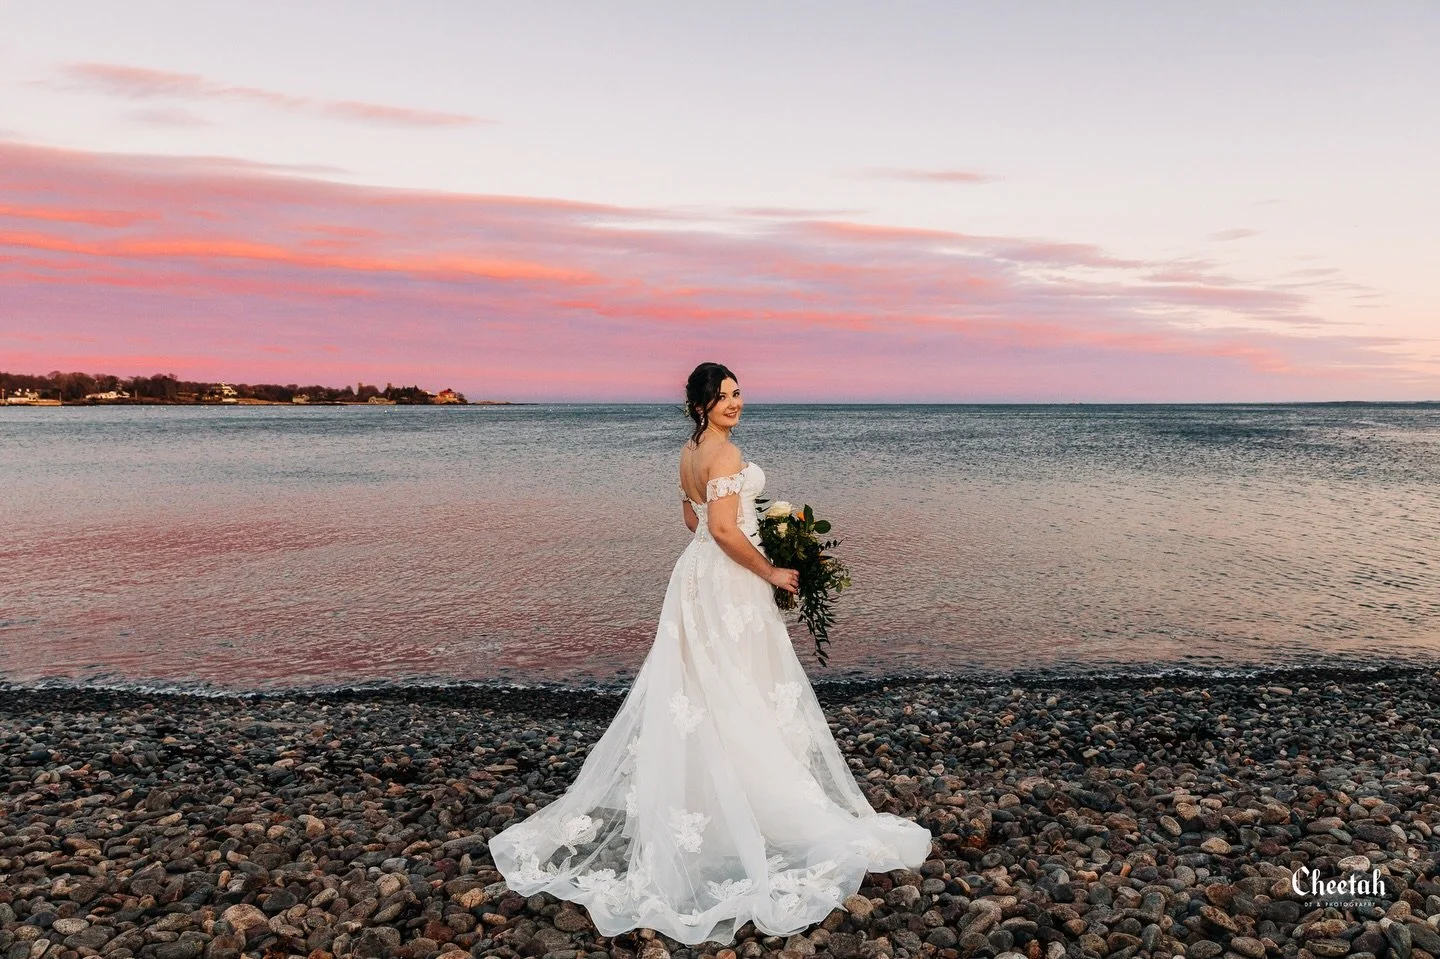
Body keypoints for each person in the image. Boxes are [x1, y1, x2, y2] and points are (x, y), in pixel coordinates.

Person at [487, 362, 932, 946]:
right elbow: (722, 530)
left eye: (737, 393)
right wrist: (771, 568)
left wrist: (747, 533)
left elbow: (691, 519)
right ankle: (753, 804)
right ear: (701, 404)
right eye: (723, 397)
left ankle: (717, 798)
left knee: (705, 684)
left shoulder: (689, 451)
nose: (734, 403)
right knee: (740, 681)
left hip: (696, 575)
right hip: (728, 578)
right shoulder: (725, 452)